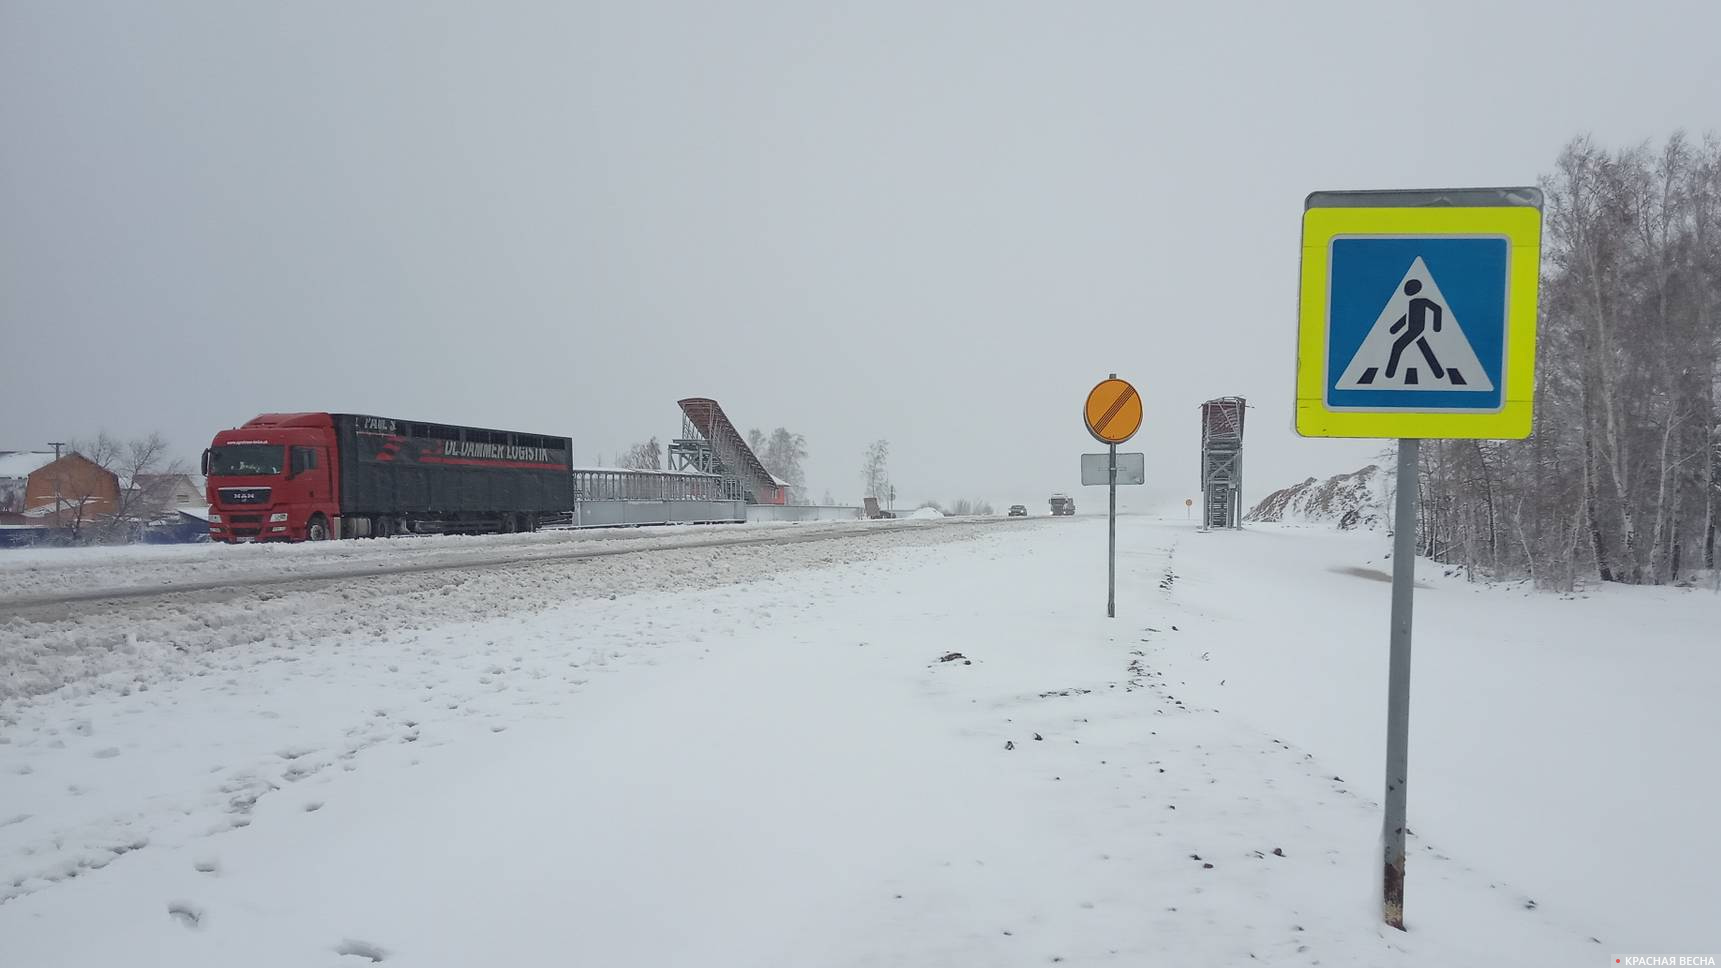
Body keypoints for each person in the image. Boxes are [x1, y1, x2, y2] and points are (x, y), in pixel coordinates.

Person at [1384, 279, 1445, 381]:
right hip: (1414, 329)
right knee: (1426, 350)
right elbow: (1408, 317)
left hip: (1416, 330)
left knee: (1397, 346)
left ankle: (1389, 374)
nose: (1406, 291)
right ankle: (1439, 373)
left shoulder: (1422, 301)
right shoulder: (1413, 302)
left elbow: (1437, 309)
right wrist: (1395, 328)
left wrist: (1437, 327)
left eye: (1408, 288)